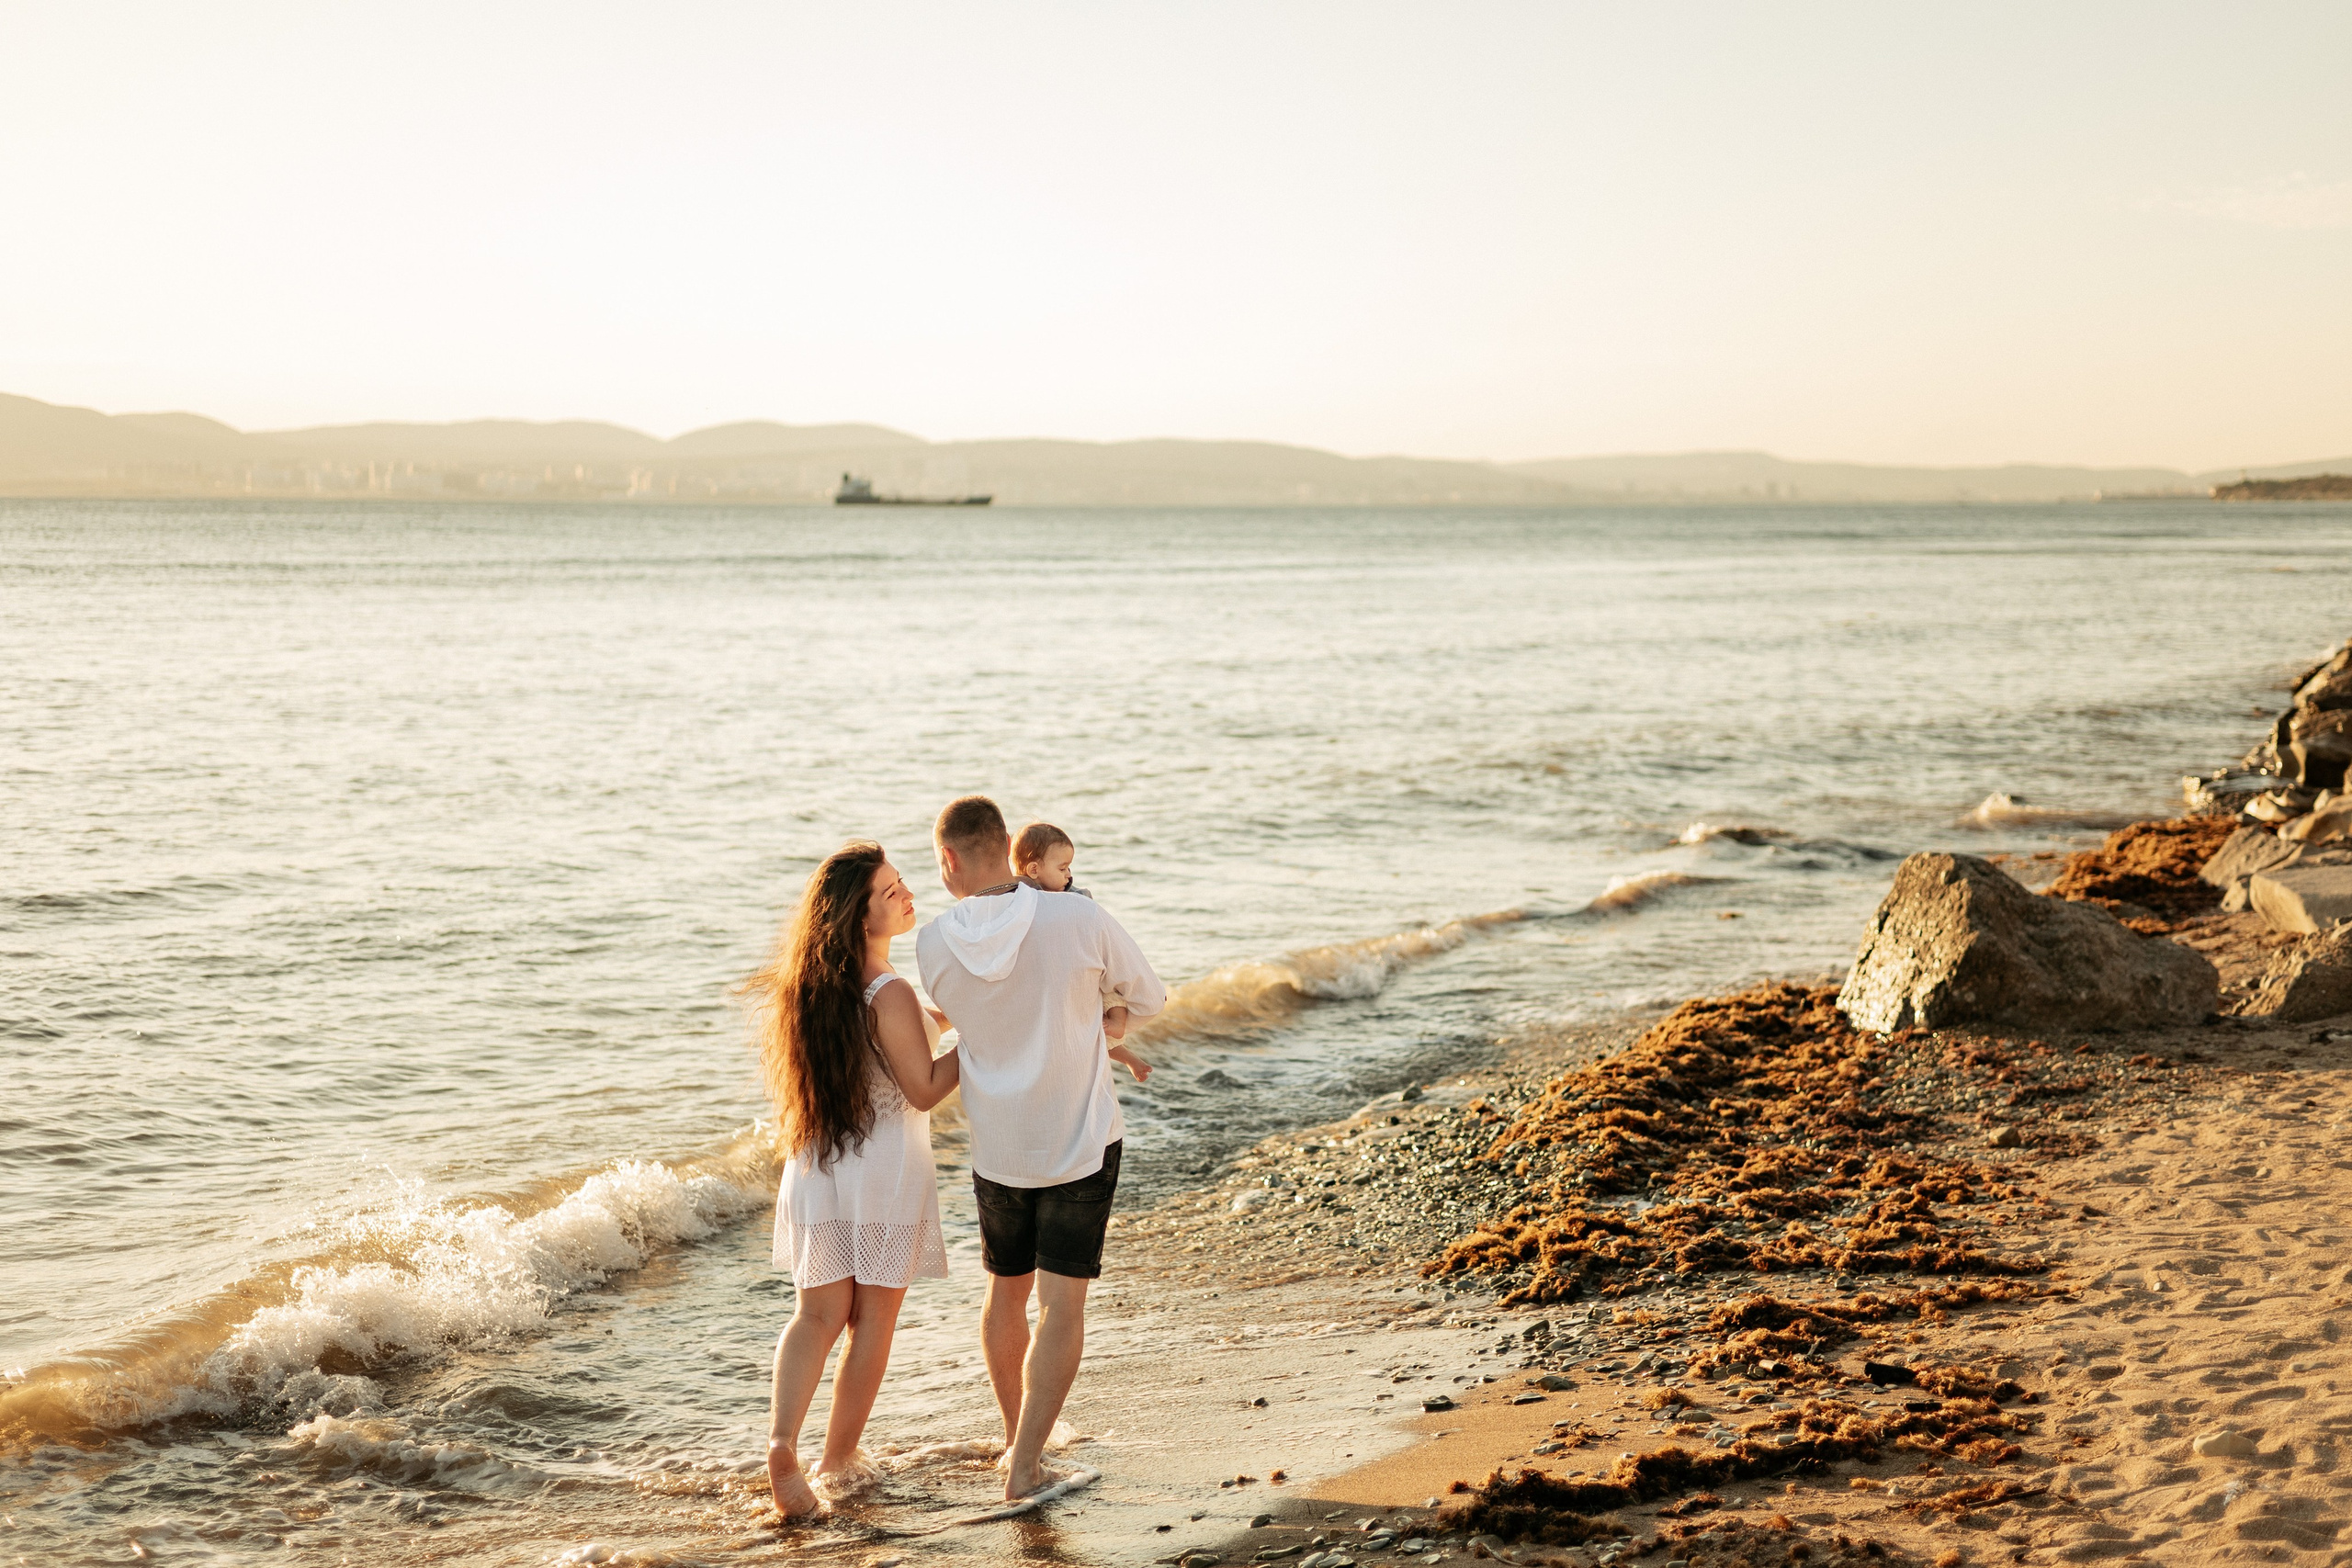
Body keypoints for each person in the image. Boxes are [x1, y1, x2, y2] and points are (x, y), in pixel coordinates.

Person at [917, 795, 1167, 1500]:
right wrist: (1105, 1015)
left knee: (1005, 1295)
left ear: (948, 860)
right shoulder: (1079, 915)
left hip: (998, 1147)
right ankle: (1028, 1463)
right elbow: (1148, 994)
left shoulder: (932, 942)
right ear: (1007, 844)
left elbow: (954, 1022)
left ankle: (1013, 1438)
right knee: (1063, 1305)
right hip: (1081, 1137)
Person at [741, 840, 961, 1518]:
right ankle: (836, 1460)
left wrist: (958, 1014)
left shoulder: (813, 986)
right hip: (883, 1172)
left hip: (818, 1166)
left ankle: (782, 1444)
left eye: (902, 883)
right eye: (890, 891)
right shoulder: (887, 989)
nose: (906, 894)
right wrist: (982, 1044)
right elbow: (923, 1088)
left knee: (815, 1314)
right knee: (873, 1321)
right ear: (858, 915)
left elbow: (900, 1036)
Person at [1012, 820, 1153, 1084]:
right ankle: (1126, 1055)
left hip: (1091, 976)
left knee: (1112, 994)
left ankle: (1120, 1032)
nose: (1069, 875)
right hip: (1059, 982)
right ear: (1033, 869)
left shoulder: (1076, 897)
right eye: (1062, 868)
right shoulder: (1020, 896)